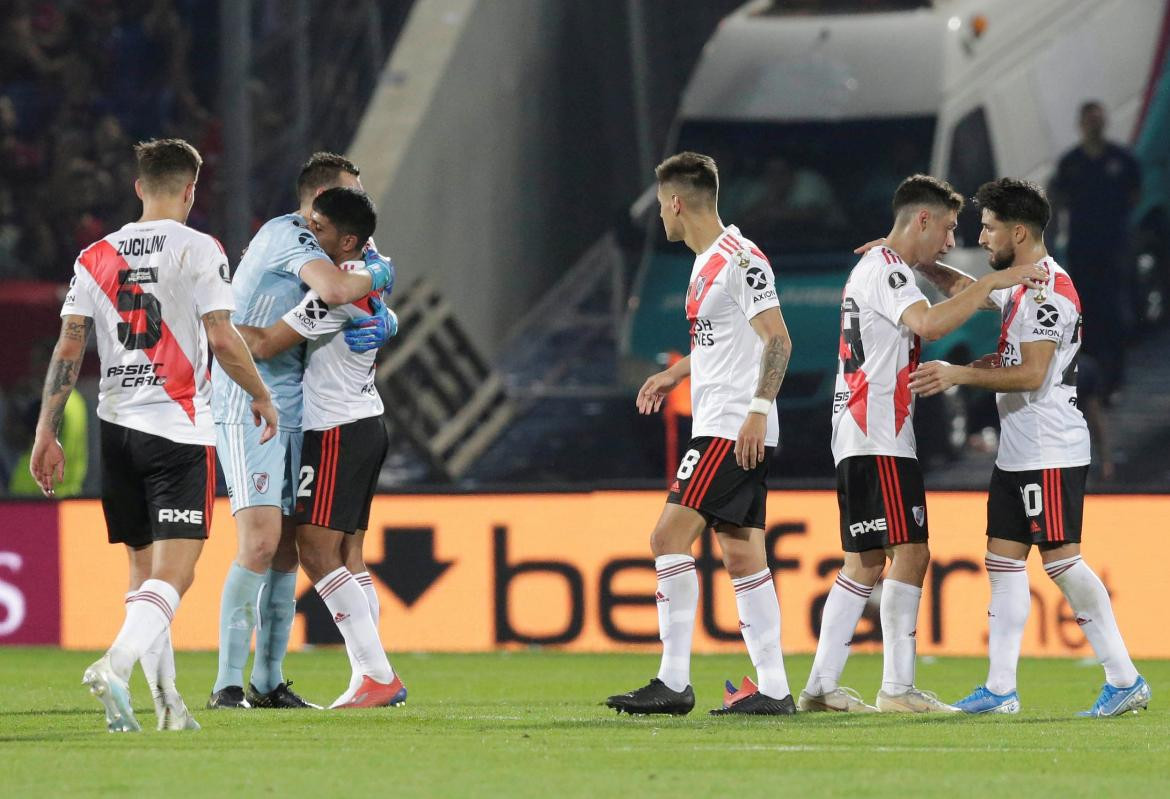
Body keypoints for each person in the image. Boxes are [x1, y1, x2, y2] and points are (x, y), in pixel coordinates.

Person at [28, 138, 278, 732]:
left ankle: (168, 705)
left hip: (116, 427)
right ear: (191, 190)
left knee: (143, 577)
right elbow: (221, 335)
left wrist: (46, 430)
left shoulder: (95, 255)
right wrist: (262, 396)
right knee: (177, 574)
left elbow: (69, 346)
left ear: (138, 187)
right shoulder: (200, 249)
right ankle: (114, 664)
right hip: (179, 429)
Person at [799, 175, 1046, 714]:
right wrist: (994, 280)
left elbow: (955, 297)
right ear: (923, 220)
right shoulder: (887, 270)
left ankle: (820, 687)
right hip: (880, 434)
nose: (953, 240)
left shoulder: (887, 267)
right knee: (910, 553)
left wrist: (969, 281)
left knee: (864, 562)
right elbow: (930, 323)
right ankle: (898, 689)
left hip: (862, 431)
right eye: (949, 228)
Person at [910, 178, 1150, 717]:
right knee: (1002, 561)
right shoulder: (1021, 284)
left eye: (989, 227)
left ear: (1018, 232)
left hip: (1050, 448)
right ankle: (1000, 689)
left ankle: (1124, 677)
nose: (982, 235)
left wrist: (958, 374)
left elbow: (1032, 373)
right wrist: (919, 260)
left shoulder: (1048, 292)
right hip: (1019, 451)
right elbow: (966, 290)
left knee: (1063, 562)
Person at [604, 151, 796, 716]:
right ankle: (775, 689)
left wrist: (758, 410)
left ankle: (673, 681)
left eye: (661, 205)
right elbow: (723, 340)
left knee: (667, 539)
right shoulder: (705, 261)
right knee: (743, 559)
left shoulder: (741, 259)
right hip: (727, 422)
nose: (659, 217)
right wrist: (675, 372)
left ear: (676, 203)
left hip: (730, 428)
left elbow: (778, 340)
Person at [207, 153, 395, 710]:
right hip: (249, 400)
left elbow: (349, 295)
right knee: (262, 542)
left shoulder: (337, 251)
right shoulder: (290, 235)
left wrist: (386, 309)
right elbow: (334, 293)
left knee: (290, 550)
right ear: (317, 206)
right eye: (347, 197)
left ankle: (269, 682)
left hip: (300, 409)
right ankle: (227, 684)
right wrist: (378, 278)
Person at [1049, 101, 1141, 396]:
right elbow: (1058, 201)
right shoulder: (1071, 163)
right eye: (1090, 120)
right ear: (1082, 124)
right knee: (1085, 313)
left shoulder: (1122, 160)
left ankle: (1115, 378)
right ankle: (1090, 378)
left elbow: (1134, 195)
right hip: (1082, 251)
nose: (1095, 124)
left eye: (1099, 119)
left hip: (1113, 250)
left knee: (1115, 311)